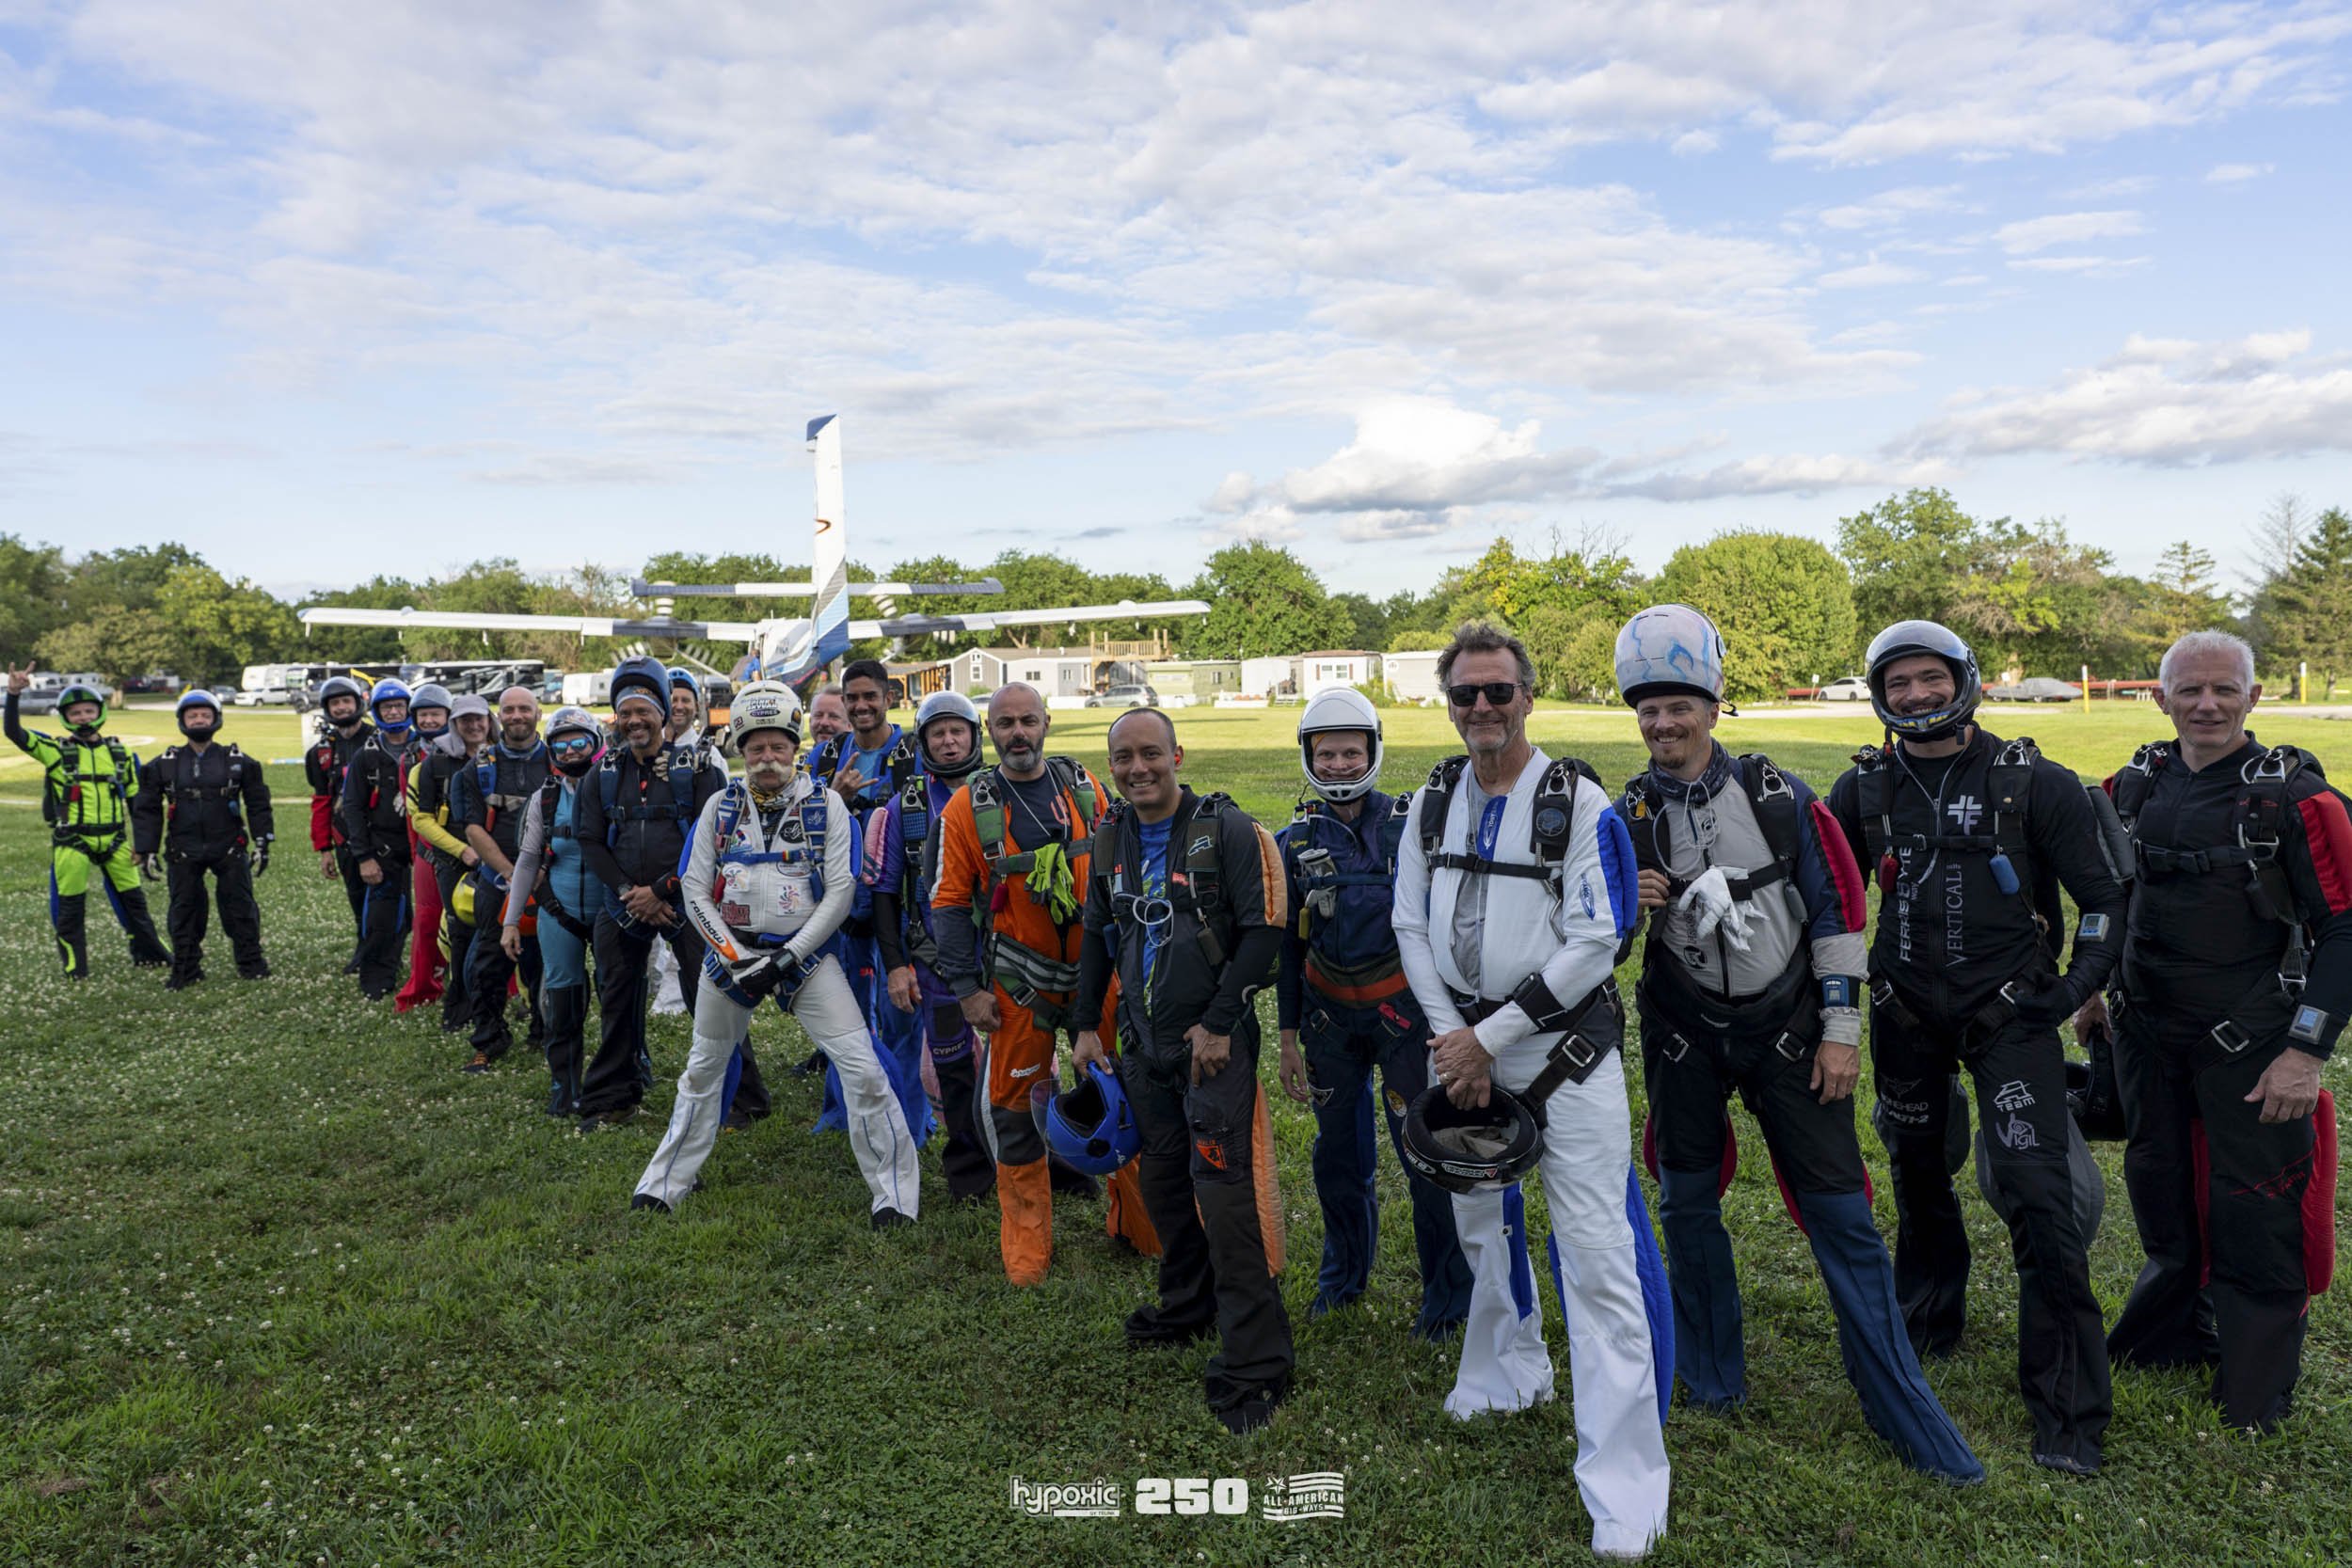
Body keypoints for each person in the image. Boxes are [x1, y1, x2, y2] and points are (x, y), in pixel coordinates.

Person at [1612, 606, 1980, 1483]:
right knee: (1688, 1206)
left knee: (1842, 1215)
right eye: (1649, 709)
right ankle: (1710, 1379)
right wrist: (1636, 903)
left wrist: (1842, 1032)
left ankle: (1900, 1404)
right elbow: (1602, 944)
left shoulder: (1780, 796)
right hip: (1684, 1035)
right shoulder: (1623, 813)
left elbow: (1840, 913)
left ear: (1712, 702)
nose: (1665, 724)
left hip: (1792, 1033)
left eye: (1681, 705)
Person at [1391, 622, 1669, 1559]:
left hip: (1562, 1053)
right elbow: (1408, 924)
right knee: (1480, 1224)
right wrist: (1450, 1038)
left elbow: (1594, 943)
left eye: (1496, 692)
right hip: (1464, 1046)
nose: (1480, 708)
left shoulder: (1579, 801)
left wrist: (1486, 1038)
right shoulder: (1431, 799)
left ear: (1526, 696)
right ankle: (1505, 1369)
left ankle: (1625, 1483)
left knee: (1594, 1255)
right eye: (1464, 693)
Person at [1827, 619, 2123, 1477]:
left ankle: (2069, 1407)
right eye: (1898, 683)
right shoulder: (1865, 787)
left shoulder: (2034, 782)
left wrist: (2068, 992)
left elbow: (2105, 899)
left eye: (1931, 677)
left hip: (2012, 1019)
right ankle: (1928, 1318)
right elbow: (1826, 894)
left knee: (2040, 1197)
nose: (1916, 694)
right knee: (1917, 1169)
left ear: (1966, 678)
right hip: (1904, 1011)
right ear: (1881, 696)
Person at [2087, 629, 2352, 1433]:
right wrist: (2094, 985)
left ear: (2254, 697)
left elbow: (2344, 930)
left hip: (2255, 1044)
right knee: (2160, 1189)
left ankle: (2254, 1385)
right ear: (2160, 697)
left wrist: (2306, 1051)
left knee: (2256, 1210)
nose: (2207, 704)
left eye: (2224, 689)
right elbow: (2111, 894)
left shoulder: (2296, 798)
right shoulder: (2131, 783)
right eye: (2189, 690)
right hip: (2145, 1033)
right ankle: (2168, 1335)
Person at [1072, 705, 1293, 1434]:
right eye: (1124, 759)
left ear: (1177, 753)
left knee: (1224, 1198)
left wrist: (1221, 1022)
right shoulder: (1111, 837)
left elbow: (1264, 932)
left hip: (1212, 1049)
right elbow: (1101, 936)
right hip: (1145, 1047)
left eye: (1151, 755)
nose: (1138, 770)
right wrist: (1083, 1024)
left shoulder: (1224, 829)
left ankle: (1258, 1361)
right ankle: (1190, 1304)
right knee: (1165, 1184)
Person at [633, 680, 920, 1223]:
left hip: (806, 960)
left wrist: (787, 958)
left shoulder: (826, 805)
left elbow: (842, 890)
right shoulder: (720, 807)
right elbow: (694, 889)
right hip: (730, 959)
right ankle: (665, 1183)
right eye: (756, 747)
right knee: (701, 1069)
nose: (768, 758)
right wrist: (734, 955)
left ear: (795, 746)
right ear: (740, 749)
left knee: (861, 1069)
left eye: (779, 746)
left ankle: (896, 1197)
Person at [931, 684, 1158, 1285]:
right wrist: (965, 987)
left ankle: (1141, 1225)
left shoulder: (1083, 785)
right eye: (1005, 723)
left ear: (1047, 723)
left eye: (1028, 721)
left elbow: (1125, 864)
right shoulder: (966, 807)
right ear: (990, 730)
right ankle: (1027, 1255)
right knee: (1014, 1115)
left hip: (1100, 977)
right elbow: (950, 902)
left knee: (1125, 1097)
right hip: (1017, 986)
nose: (1018, 733)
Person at [1274, 687, 1471, 1339]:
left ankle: (1447, 1301)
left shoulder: (1412, 825)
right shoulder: (1292, 841)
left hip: (1404, 1022)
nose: (1336, 763)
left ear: (1373, 750)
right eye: (1325, 752)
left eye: (1349, 751)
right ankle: (1342, 1279)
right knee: (1337, 1157)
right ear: (1308, 755)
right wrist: (1287, 1037)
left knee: (1426, 1157)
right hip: (1329, 1023)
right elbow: (1286, 946)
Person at [575, 656, 738, 1131]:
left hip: (686, 899)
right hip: (623, 901)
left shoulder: (701, 768)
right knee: (617, 997)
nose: (634, 721)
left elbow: (716, 837)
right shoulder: (603, 773)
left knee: (709, 996)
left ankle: (737, 1098)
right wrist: (630, 892)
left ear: (664, 714)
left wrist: (663, 889)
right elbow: (589, 837)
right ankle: (612, 1097)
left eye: (644, 710)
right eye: (624, 712)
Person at [869, 689, 997, 1204]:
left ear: (973, 736)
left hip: (1007, 954)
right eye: (938, 734)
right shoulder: (908, 807)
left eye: (957, 732)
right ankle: (970, 1173)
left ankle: (1045, 1162)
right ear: (923, 742)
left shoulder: (1005, 791)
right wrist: (896, 968)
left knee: (1027, 1064)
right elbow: (883, 894)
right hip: (936, 961)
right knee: (947, 1069)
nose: (948, 742)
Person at [803, 658, 932, 1149]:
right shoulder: (825, 756)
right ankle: (841, 1110)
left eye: (868, 697)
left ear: (888, 698)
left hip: (901, 906)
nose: (859, 706)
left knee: (903, 1013)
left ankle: (909, 1118)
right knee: (842, 1017)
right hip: (840, 906)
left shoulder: (914, 752)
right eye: (850, 698)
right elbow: (805, 826)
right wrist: (833, 798)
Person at [7, 667, 171, 976]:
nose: (83, 717)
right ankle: (75, 966)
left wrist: (146, 846)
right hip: (72, 841)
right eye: (76, 712)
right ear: (65, 717)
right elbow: (15, 734)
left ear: (100, 711)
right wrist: (13, 695)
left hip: (115, 840)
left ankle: (151, 954)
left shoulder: (120, 754)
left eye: (88, 710)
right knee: (70, 907)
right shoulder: (54, 751)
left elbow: (139, 806)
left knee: (135, 903)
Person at [502, 706, 610, 1117]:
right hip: (557, 910)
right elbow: (528, 861)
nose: (569, 752)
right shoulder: (544, 799)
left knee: (619, 995)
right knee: (561, 1000)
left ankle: (631, 1067)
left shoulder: (612, 788)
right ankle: (564, 1086)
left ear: (596, 744)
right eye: (560, 744)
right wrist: (511, 921)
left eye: (579, 742)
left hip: (610, 913)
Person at [130, 688, 271, 989]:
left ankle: (251, 962)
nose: (198, 720)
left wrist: (262, 841)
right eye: (192, 715)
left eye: (205, 715)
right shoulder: (162, 765)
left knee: (240, 906)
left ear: (216, 719)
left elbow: (258, 804)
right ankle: (186, 966)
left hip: (229, 844)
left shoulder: (239, 762)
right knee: (184, 908)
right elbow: (147, 809)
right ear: (182, 721)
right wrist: (147, 848)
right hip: (183, 847)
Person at [450, 686, 551, 1072]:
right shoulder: (477, 769)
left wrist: (537, 875)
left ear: (538, 713)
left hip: (549, 880)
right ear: (499, 716)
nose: (516, 716)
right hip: (497, 879)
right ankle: (489, 1040)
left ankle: (546, 1032)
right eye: (508, 710)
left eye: (524, 709)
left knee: (548, 964)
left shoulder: (559, 760)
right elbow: (473, 829)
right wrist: (513, 876)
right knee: (488, 964)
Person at [408, 693, 493, 1034]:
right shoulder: (434, 765)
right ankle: (458, 1008)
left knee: (502, 930)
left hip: (500, 859)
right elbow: (421, 820)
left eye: (479, 719)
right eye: (465, 720)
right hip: (455, 863)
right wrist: (462, 851)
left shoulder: (502, 758)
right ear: (454, 724)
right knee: (461, 933)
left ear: (489, 722)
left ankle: (499, 1001)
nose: (473, 726)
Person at [340, 677, 423, 1001]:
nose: (393, 712)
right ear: (376, 711)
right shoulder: (366, 757)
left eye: (398, 706)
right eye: (386, 707)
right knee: (382, 917)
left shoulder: (428, 749)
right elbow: (353, 808)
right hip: (384, 848)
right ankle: (377, 977)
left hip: (430, 845)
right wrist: (363, 856)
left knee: (437, 915)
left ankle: (436, 971)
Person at [304, 673, 373, 974]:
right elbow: (321, 801)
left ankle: (384, 950)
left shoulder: (379, 740)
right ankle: (364, 946)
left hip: (381, 834)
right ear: (327, 709)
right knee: (357, 896)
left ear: (358, 703)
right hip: (345, 837)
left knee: (386, 899)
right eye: (336, 703)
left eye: (347, 701)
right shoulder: (320, 753)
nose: (342, 708)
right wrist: (324, 849)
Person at [392, 684, 454, 1014]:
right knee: (427, 921)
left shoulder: (471, 750)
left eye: (436, 714)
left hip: (467, 850)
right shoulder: (409, 759)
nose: (429, 720)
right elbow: (414, 815)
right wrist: (418, 853)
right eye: (423, 715)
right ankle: (423, 984)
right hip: (428, 853)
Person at [806, 683, 850, 747]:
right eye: (818, 715)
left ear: (850, 725)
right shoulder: (808, 756)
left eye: (833, 716)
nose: (824, 723)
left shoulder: (858, 756)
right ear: (810, 721)